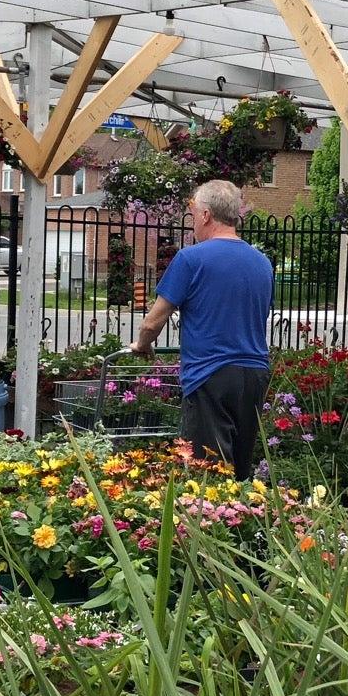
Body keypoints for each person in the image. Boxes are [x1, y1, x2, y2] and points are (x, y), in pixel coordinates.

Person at [130, 179, 273, 478]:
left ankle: (207, 524)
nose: (193, 220)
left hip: (211, 375)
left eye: (194, 212)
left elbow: (153, 321)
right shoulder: (262, 263)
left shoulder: (191, 259)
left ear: (206, 215)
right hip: (255, 374)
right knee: (240, 470)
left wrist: (142, 345)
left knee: (208, 471)